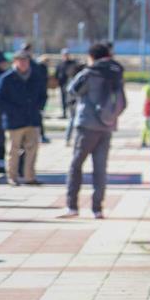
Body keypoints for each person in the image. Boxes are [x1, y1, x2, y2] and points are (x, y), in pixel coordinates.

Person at [63, 42, 127, 219]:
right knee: (100, 168)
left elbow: (72, 90)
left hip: (87, 125)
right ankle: (97, 209)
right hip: (107, 126)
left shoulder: (89, 73)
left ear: (92, 56)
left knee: (76, 165)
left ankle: (72, 206)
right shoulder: (116, 73)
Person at [0, 51, 42, 186]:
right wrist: (12, 111)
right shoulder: (6, 78)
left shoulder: (35, 76)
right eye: (20, 61)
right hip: (14, 121)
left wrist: (39, 107)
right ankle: (12, 177)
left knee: (32, 149)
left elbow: (43, 94)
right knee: (13, 150)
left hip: (32, 119)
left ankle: (29, 176)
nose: (23, 63)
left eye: (25, 60)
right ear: (15, 62)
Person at [54, 49, 82, 120]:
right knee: (63, 99)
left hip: (70, 84)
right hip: (62, 84)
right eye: (64, 55)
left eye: (66, 54)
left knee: (71, 99)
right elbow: (57, 74)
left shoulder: (72, 63)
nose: (65, 56)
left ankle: (72, 113)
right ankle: (64, 113)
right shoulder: (60, 64)